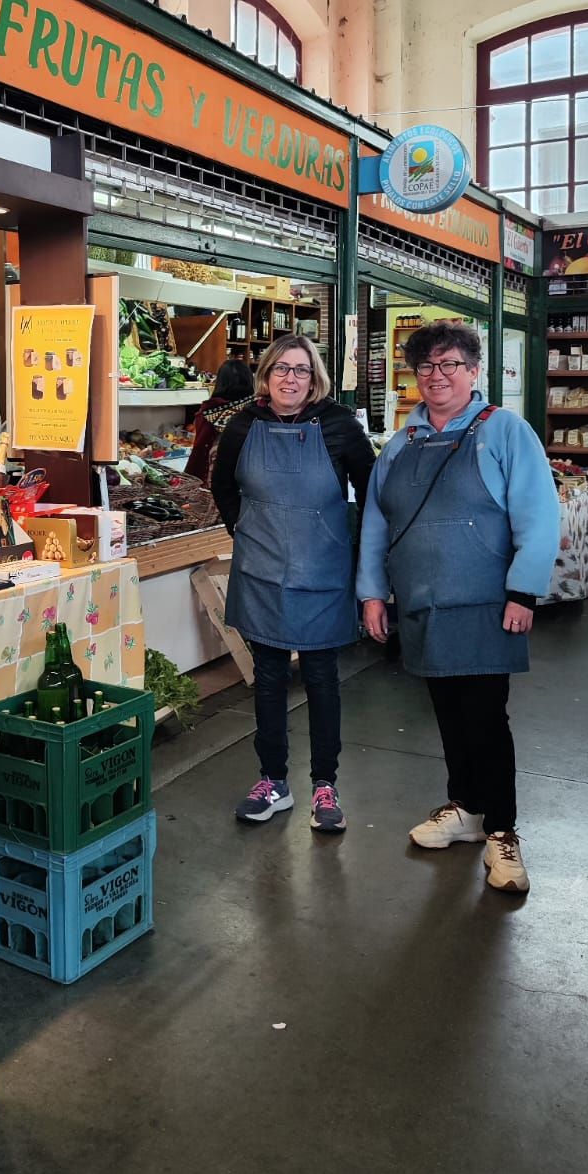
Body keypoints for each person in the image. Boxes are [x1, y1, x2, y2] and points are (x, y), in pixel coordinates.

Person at [357, 319, 560, 894]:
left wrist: (523, 590)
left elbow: (540, 515)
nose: (437, 376)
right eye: (426, 367)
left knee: (485, 718)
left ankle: (502, 831)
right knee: (447, 711)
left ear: (474, 371)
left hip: (486, 605)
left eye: (450, 365)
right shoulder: (402, 442)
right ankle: (466, 808)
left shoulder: (505, 431)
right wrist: (373, 592)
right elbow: (376, 523)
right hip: (421, 604)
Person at [212, 334, 375, 831]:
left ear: (315, 378)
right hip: (260, 571)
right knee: (269, 680)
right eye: (281, 368)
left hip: (323, 570)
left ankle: (325, 785)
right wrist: (246, 530)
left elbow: (372, 490)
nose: (290, 379)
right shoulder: (243, 425)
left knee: (323, 680)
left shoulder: (339, 426)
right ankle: (273, 782)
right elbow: (222, 486)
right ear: (266, 375)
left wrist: (356, 551)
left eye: (301, 370)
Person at [185, 358, 254, 483]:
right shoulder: (256, 411)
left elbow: (200, 449)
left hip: (213, 479)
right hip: (247, 481)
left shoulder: (207, 412)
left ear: (220, 382)